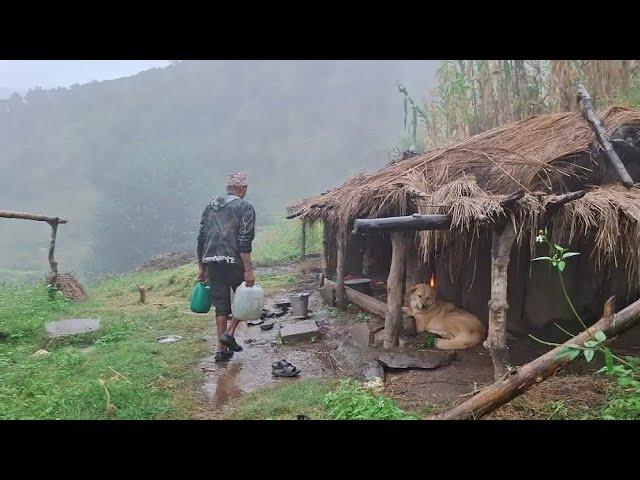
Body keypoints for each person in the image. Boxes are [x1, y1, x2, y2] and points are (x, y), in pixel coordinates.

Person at [197, 172, 256, 362]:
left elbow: (201, 237)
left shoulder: (210, 207)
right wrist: (248, 270)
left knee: (221, 307)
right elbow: (244, 241)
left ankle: (220, 350)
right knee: (244, 298)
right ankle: (229, 333)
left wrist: (202, 267)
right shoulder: (244, 208)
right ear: (242, 189)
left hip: (212, 262)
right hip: (234, 262)